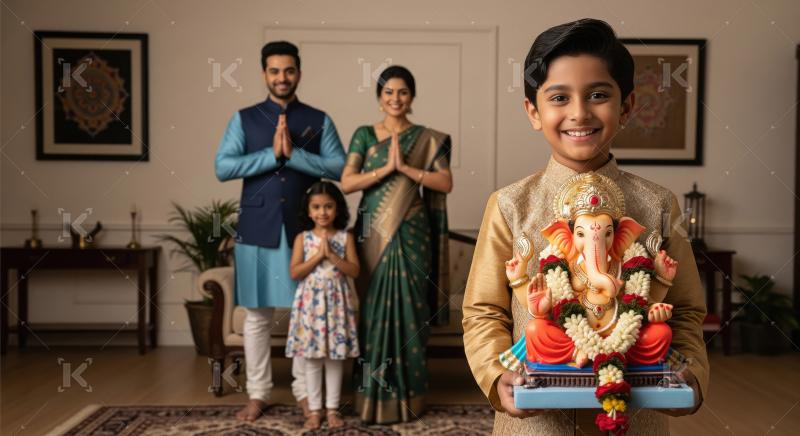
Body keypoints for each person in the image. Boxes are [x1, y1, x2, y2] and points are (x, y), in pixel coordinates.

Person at [462, 19, 709, 434]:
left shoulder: (658, 205)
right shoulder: (509, 205)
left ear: (627, 107)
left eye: (598, 95)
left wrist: (690, 376)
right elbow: (482, 310)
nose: (579, 112)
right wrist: (495, 374)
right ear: (533, 112)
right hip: (535, 422)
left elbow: (685, 311)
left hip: (636, 413)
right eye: (559, 97)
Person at [214, 41, 346, 422]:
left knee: (305, 316)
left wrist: (295, 155)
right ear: (264, 74)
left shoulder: (318, 119)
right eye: (274, 71)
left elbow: (339, 167)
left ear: (299, 73)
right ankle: (258, 394)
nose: (281, 77)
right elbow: (222, 167)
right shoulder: (245, 118)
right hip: (257, 231)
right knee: (256, 317)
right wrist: (270, 155)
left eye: (288, 70)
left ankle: (307, 396)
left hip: (306, 235)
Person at [340, 65, 453, 424]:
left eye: (402, 92)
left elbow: (445, 183)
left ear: (412, 97)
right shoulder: (363, 134)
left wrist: (406, 169)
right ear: (379, 97)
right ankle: (370, 397)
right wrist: (386, 170)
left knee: (410, 313)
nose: (395, 99)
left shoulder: (427, 138)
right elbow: (347, 182)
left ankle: (410, 397)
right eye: (388, 92)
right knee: (373, 314)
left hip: (412, 231)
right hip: (373, 230)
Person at [285, 181, 360, 430]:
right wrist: (318, 256)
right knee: (313, 360)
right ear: (308, 211)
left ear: (337, 209)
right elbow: (295, 272)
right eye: (316, 207)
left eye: (328, 206)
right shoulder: (302, 238)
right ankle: (314, 411)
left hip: (337, 305)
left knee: (335, 359)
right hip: (311, 309)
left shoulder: (345, 237)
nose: (323, 212)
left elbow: (355, 270)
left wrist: (332, 256)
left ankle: (332, 410)